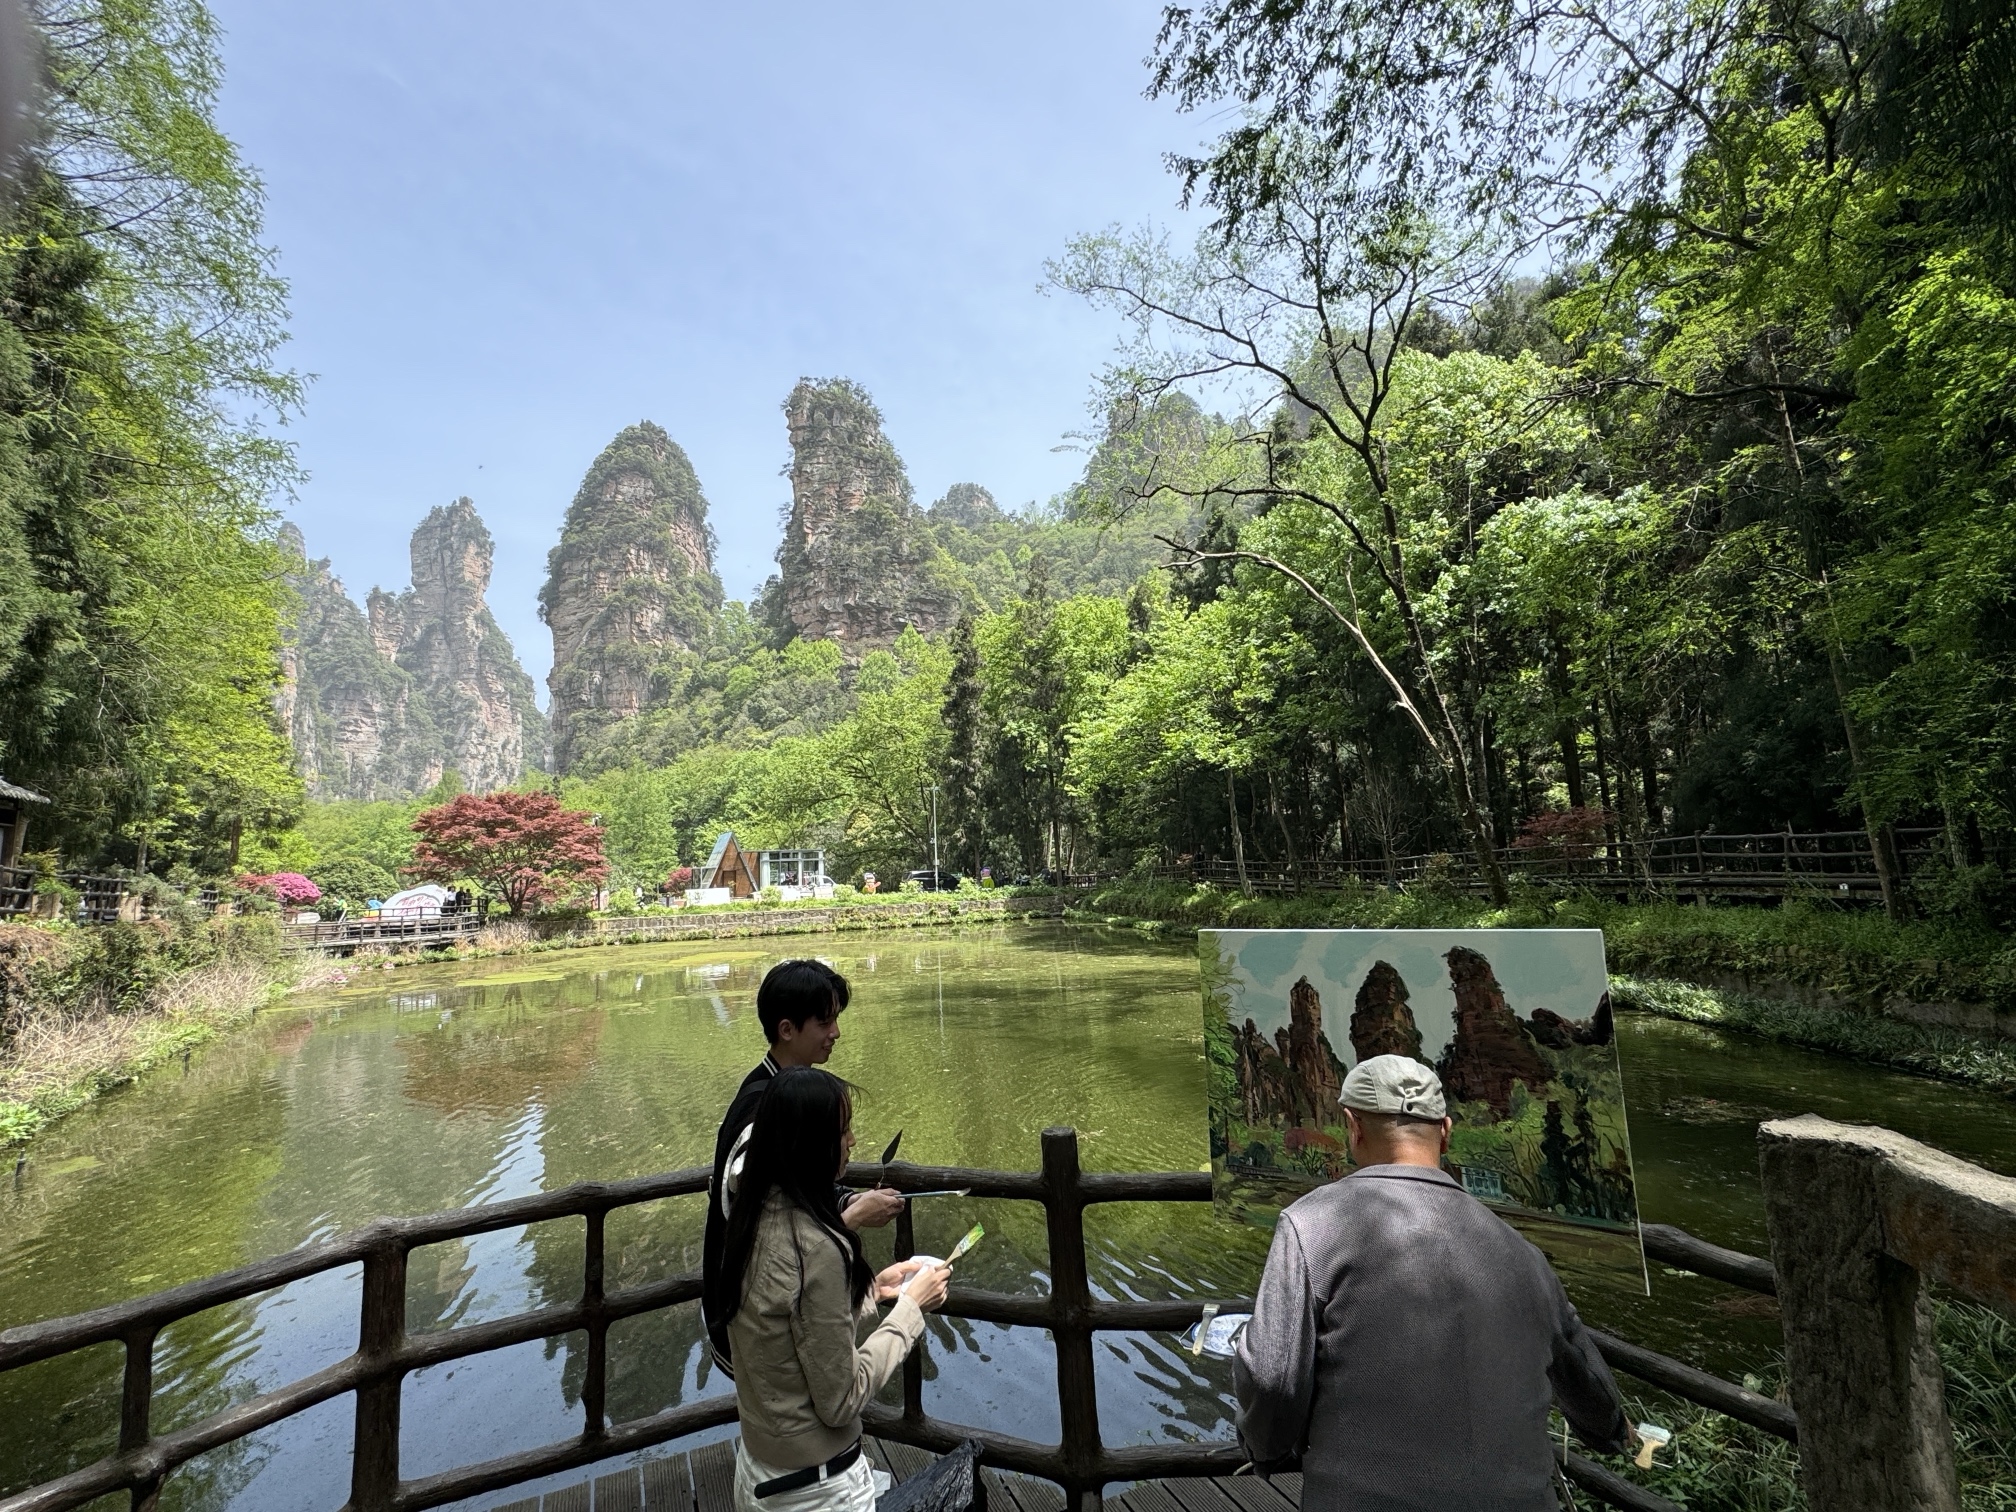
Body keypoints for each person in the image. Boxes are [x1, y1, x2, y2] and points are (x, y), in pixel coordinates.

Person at [1234, 1054, 1629, 1511]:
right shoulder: (1523, 1252)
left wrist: (1264, 1450)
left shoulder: (1311, 1224)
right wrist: (1613, 1431)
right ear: (1445, 1130)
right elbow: (1587, 1381)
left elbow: (1272, 1380)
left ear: (1353, 1126)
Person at [719, 1067, 950, 1512]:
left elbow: (785, 1326)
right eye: (842, 1130)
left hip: (757, 1471)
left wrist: (873, 1292)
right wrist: (910, 1310)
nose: (853, 1141)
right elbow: (842, 1400)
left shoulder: (751, 1218)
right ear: (809, 1146)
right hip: (814, 1492)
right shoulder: (816, 1249)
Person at [703, 959, 904, 1374]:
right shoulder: (762, 1109)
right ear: (787, 1029)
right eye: (824, 1022)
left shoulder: (784, 1093)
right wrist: (851, 1217)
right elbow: (764, 1233)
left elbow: (795, 1186)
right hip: (756, 1322)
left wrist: (850, 1196)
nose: (836, 1033)